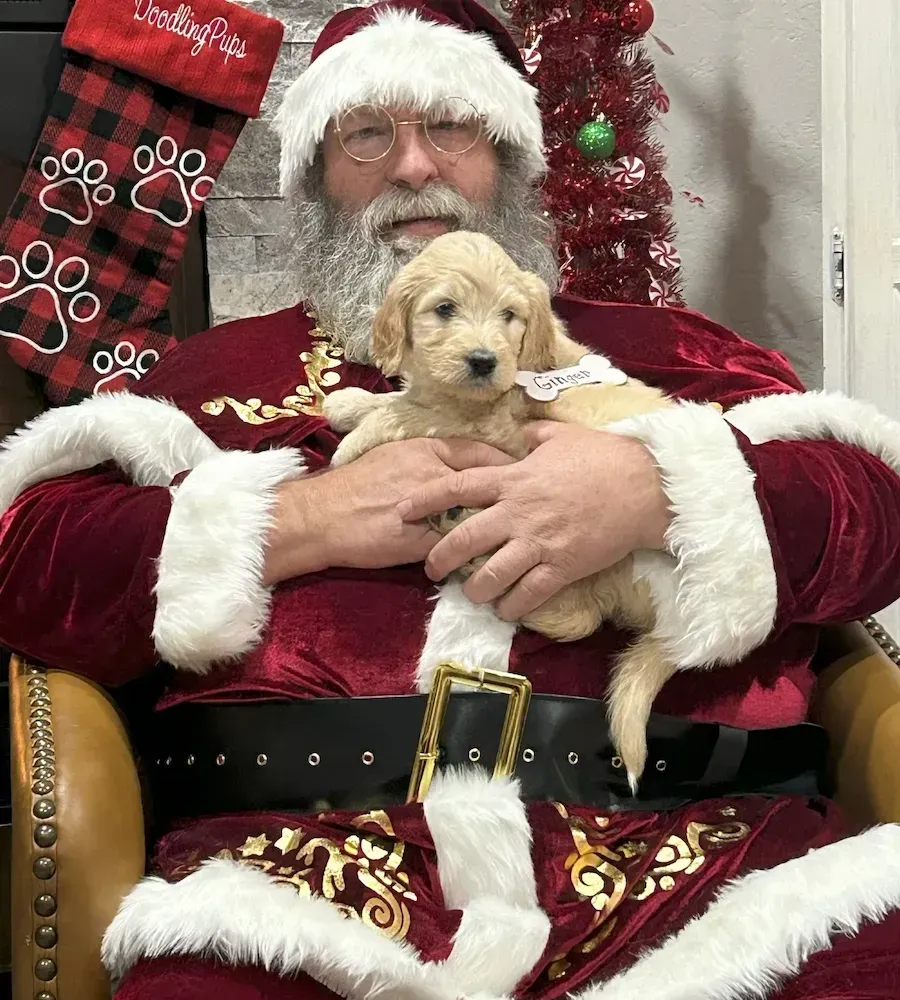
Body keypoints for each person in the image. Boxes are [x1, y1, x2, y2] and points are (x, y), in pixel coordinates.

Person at [1, 1, 900, 997]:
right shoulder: (211, 379)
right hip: (299, 895)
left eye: (450, 127)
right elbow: (33, 564)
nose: (413, 167)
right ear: (312, 176)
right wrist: (299, 520)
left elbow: (875, 508)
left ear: (509, 158)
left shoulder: (670, 354)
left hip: (709, 882)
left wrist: (661, 488)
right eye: (368, 133)